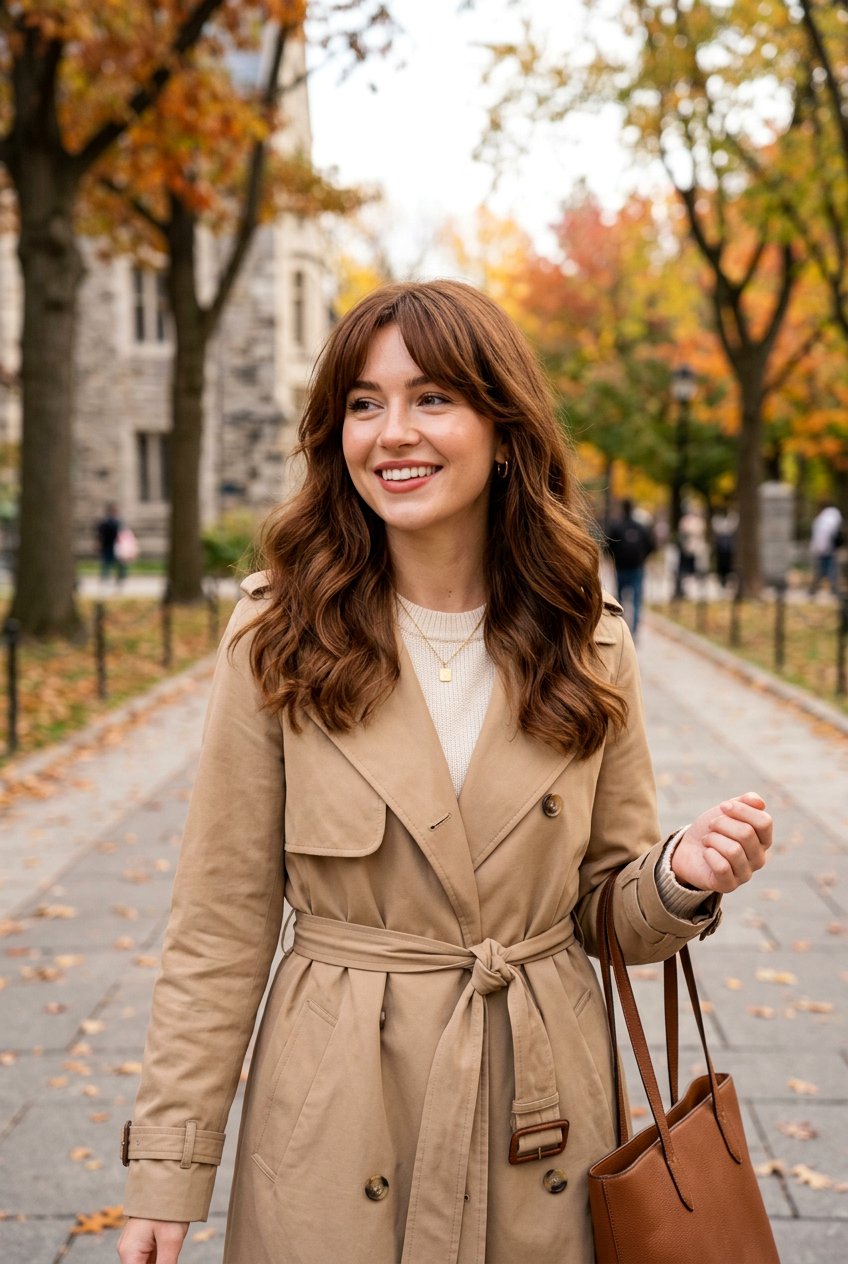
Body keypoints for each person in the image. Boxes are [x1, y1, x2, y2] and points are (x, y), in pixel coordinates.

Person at [117, 281, 773, 1264]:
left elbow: (604, 909)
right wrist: (167, 1173)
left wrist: (679, 878)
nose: (392, 433)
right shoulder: (277, 632)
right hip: (335, 1113)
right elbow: (217, 920)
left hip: (538, 1113)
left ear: (502, 428)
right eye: (362, 403)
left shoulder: (586, 640)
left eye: (431, 398)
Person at [605, 498, 655, 634]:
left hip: (621, 567)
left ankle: (621, 629)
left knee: (620, 599)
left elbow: (608, 547)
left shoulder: (617, 527)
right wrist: (643, 558)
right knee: (636, 600)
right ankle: (634, 629)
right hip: (637, 567)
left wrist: (612, 561)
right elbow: (651, 545)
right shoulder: (640, 527)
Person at [809, 499, 844, 595]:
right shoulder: (833, 517)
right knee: (830, 570)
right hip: (828, 549)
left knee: (820, 570)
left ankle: (814, 589)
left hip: (820, 550)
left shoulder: (820, 519)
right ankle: (833, 589)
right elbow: (834, 534)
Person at [96, 503, 127, 583]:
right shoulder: (105, 523)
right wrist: (98, 544)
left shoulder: (118, 522)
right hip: (107, 546)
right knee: (107, 563)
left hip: (117, 546)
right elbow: (100, 535)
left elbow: (123, 534)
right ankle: (104, 578)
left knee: (121, 563)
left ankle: (121, 577)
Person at [711, 502, 739, 589]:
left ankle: (728, 583)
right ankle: (722, 583)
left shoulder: (731, 518)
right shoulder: (717, 519)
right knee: (721, 567)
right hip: (720, 549)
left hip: (728, 548)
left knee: (729, 567)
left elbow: (732, 525)